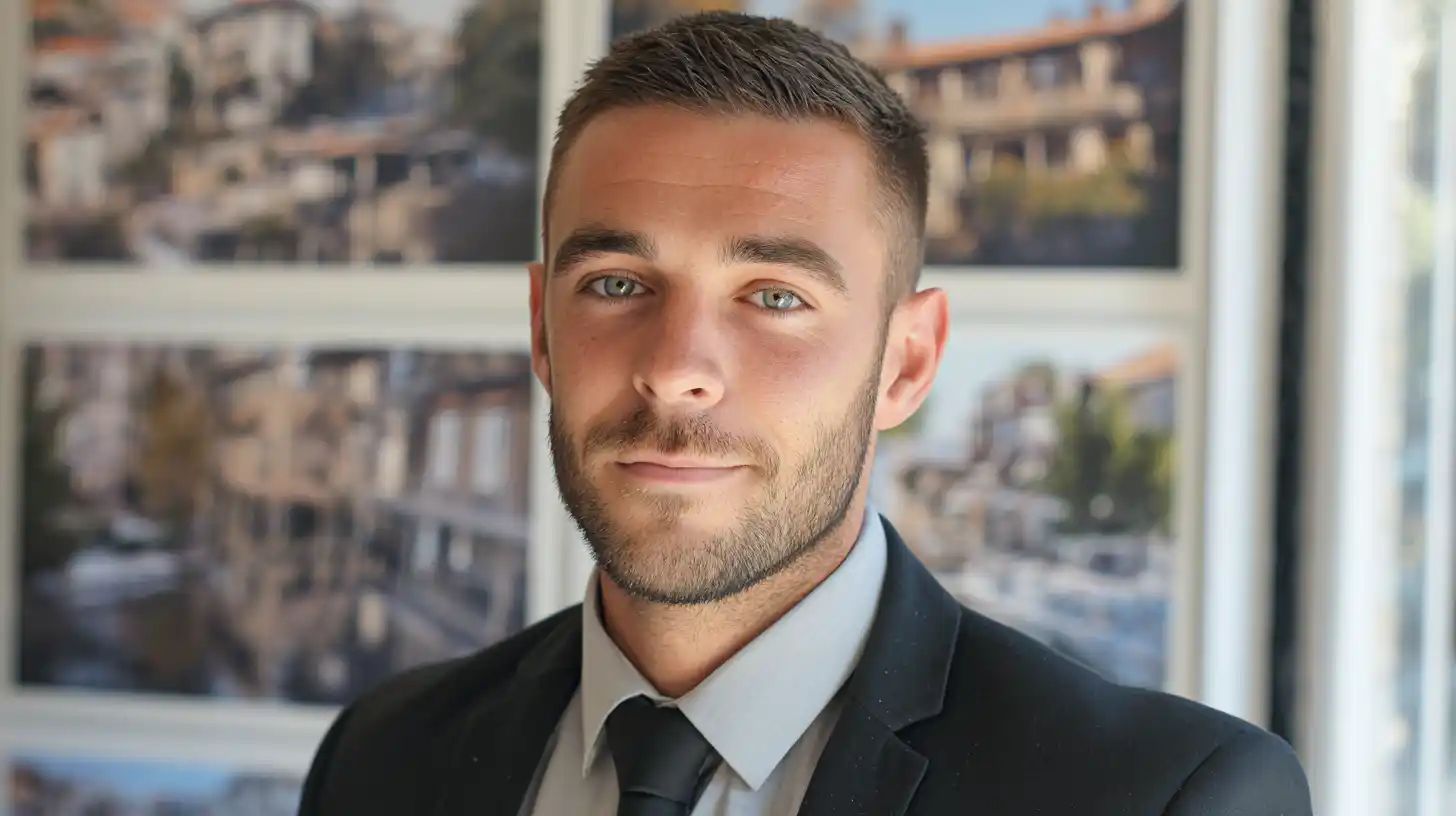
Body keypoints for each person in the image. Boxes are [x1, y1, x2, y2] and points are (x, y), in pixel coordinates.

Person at [297, 12, 1312, 816]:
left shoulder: (1161, 797)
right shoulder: (382, 759)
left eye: (775, 297)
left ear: (905, 363)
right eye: (615, 284)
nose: (676, 372)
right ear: (541, 328)